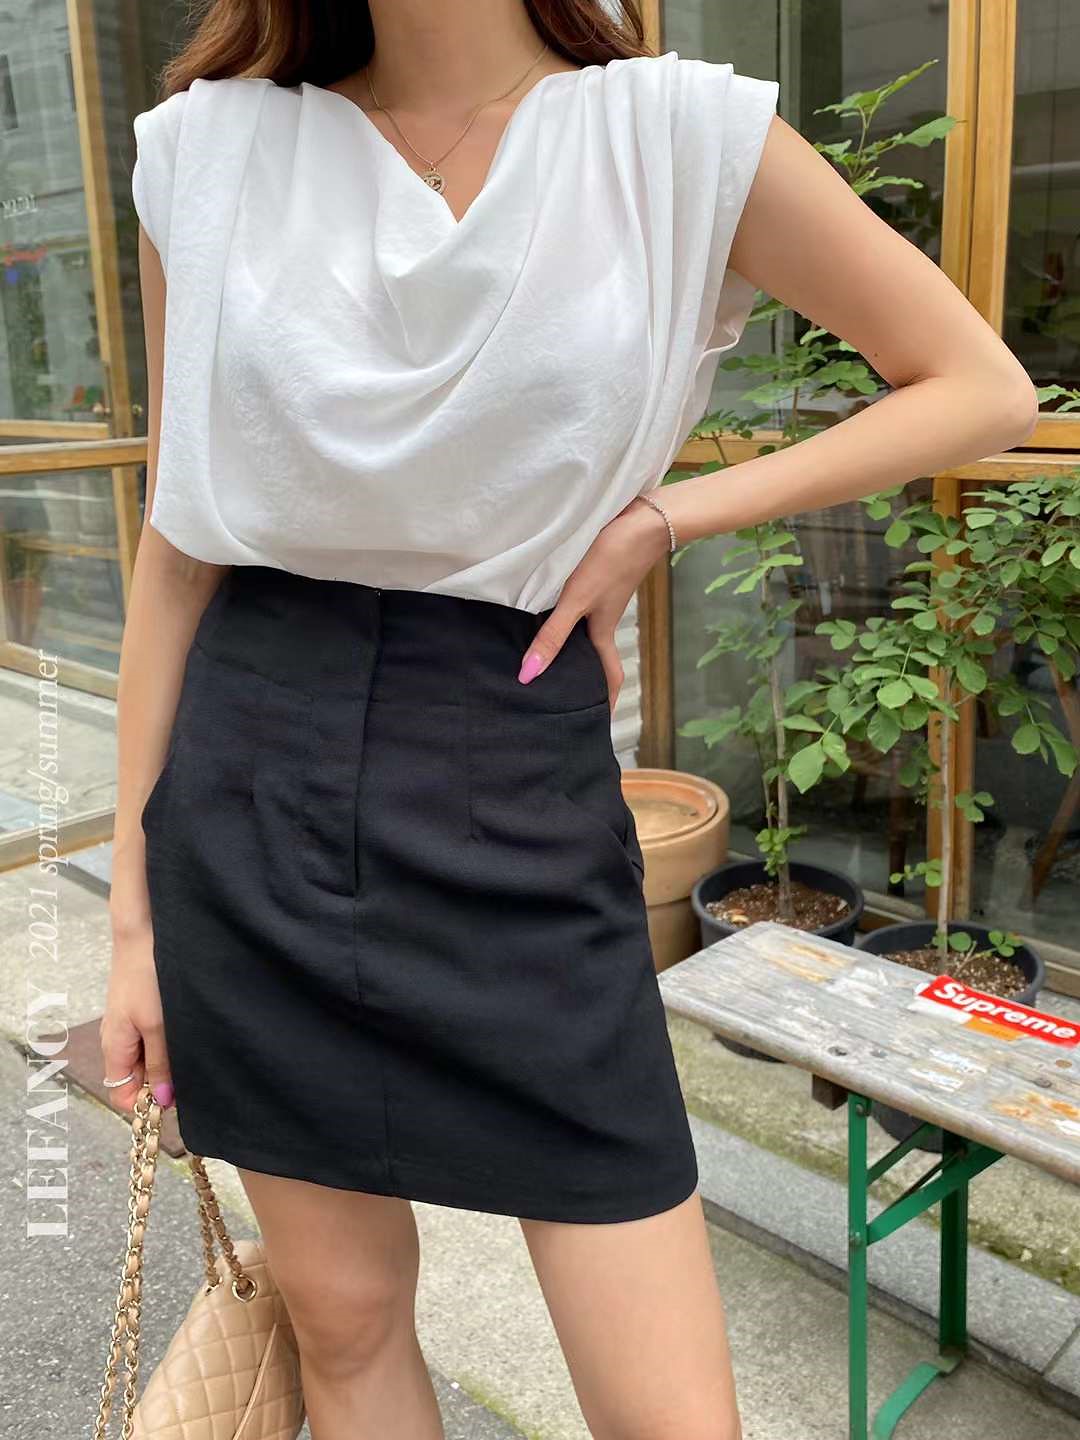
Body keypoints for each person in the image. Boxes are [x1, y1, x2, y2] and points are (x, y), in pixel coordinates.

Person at [101, 1, 1038, 1437]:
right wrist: (133, 928)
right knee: (343, 1326)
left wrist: (670, 516)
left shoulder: (676, 137)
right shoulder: (204, 150)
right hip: (250, 774)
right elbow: (178, 549)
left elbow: (980, 387)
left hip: (512, 751)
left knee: (671, 1415)